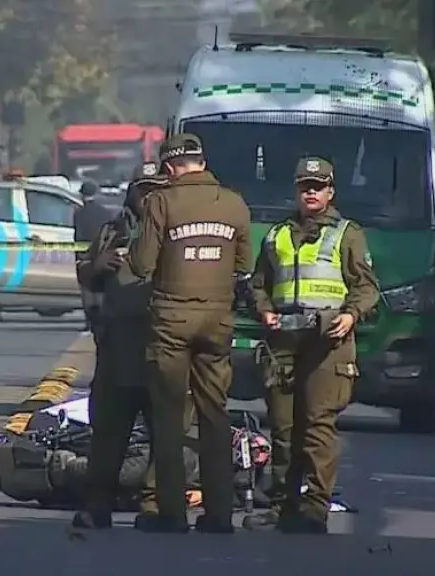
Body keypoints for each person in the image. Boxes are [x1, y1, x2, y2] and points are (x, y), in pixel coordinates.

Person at [242, 157, 379, 535]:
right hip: (284, 341)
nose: (311, 193)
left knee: (318, 425)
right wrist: (264, 311)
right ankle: (285, 505)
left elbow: (367, 288)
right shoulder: (277, 235)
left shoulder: (347, 233)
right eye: (305, 186)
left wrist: (351, 316)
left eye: (318, 186)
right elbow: (258, 284)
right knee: (284, 428)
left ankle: (315, 508)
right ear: (297, 191)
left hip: (328, 341)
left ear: (331, 191)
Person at [128, 133, 252, 534]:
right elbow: (244, 265)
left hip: (171, 322)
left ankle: (172, 513)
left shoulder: (162, 202)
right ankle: (218, 514)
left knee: (169, 419)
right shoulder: (235, 203)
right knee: (215, 416)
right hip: (217, 322)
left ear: (169, 168)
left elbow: (141, 264)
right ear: (202, 161)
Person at [71, 163, 197, 529]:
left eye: (156, 189)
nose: (148, 197)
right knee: (108, 431)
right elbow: (85, 276)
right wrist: (98, 265)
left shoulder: (180, 231)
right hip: (117, 349)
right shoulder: (114, 230)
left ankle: (156, 505)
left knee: (167, 432)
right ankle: (98, 504)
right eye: (143, 190)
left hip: (163, 346)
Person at [73, 180, 109, 334]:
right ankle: (101, 321)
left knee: (87, 290)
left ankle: (90, 323)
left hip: (85, 255)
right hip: (102, 253)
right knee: (101, 289)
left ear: (82, 195)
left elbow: (78, 235)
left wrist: (79, 256)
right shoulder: (105, 212)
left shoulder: (79, 213)